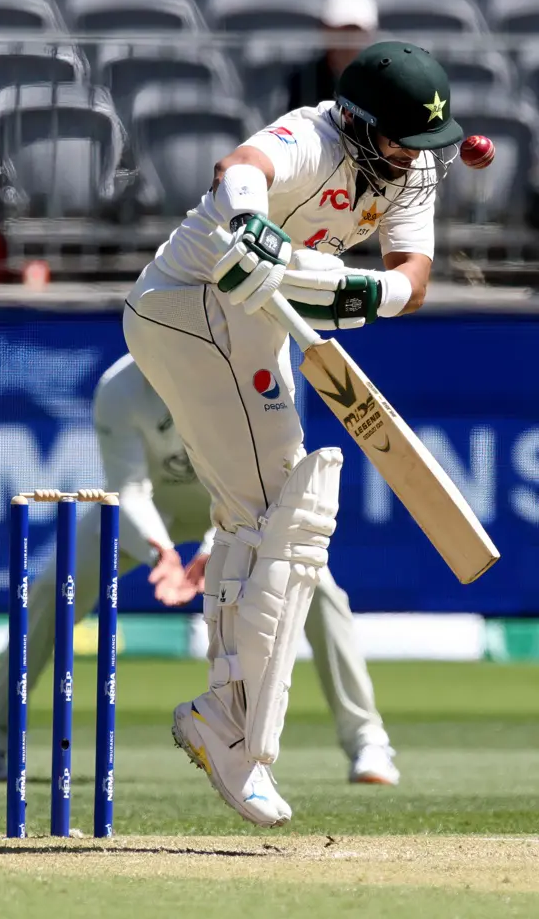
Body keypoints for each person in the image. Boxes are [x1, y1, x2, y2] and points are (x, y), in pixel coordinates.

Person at [123, 41, 463, 827]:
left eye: (427, 143)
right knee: (290, 514)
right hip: (191, 307)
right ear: (359, 122)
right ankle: (235, 736)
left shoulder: (409, 171)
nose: (416, 159)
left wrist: (341, 284)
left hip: (256, 322)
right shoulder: (314, 136)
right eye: (403, 138)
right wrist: (250, 224)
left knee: (272, 520)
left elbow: (411, 280)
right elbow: (238, 168)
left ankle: (227, 720)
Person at [0, 353, 397, 787]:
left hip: (242, 506)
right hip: (150, 511)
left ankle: (367, 741)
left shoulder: (240, 373)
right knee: (51, 587)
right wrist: (162, 551)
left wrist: (210, 549)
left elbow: (257, 480)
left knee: (319, 589)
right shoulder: (119, 388)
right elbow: (129, 489)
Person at [286, 0, 378, 113]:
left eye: (354, 30)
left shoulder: (382, 80)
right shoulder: (304, 79)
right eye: (341, 30)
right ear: (325, 29)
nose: (348, 40)